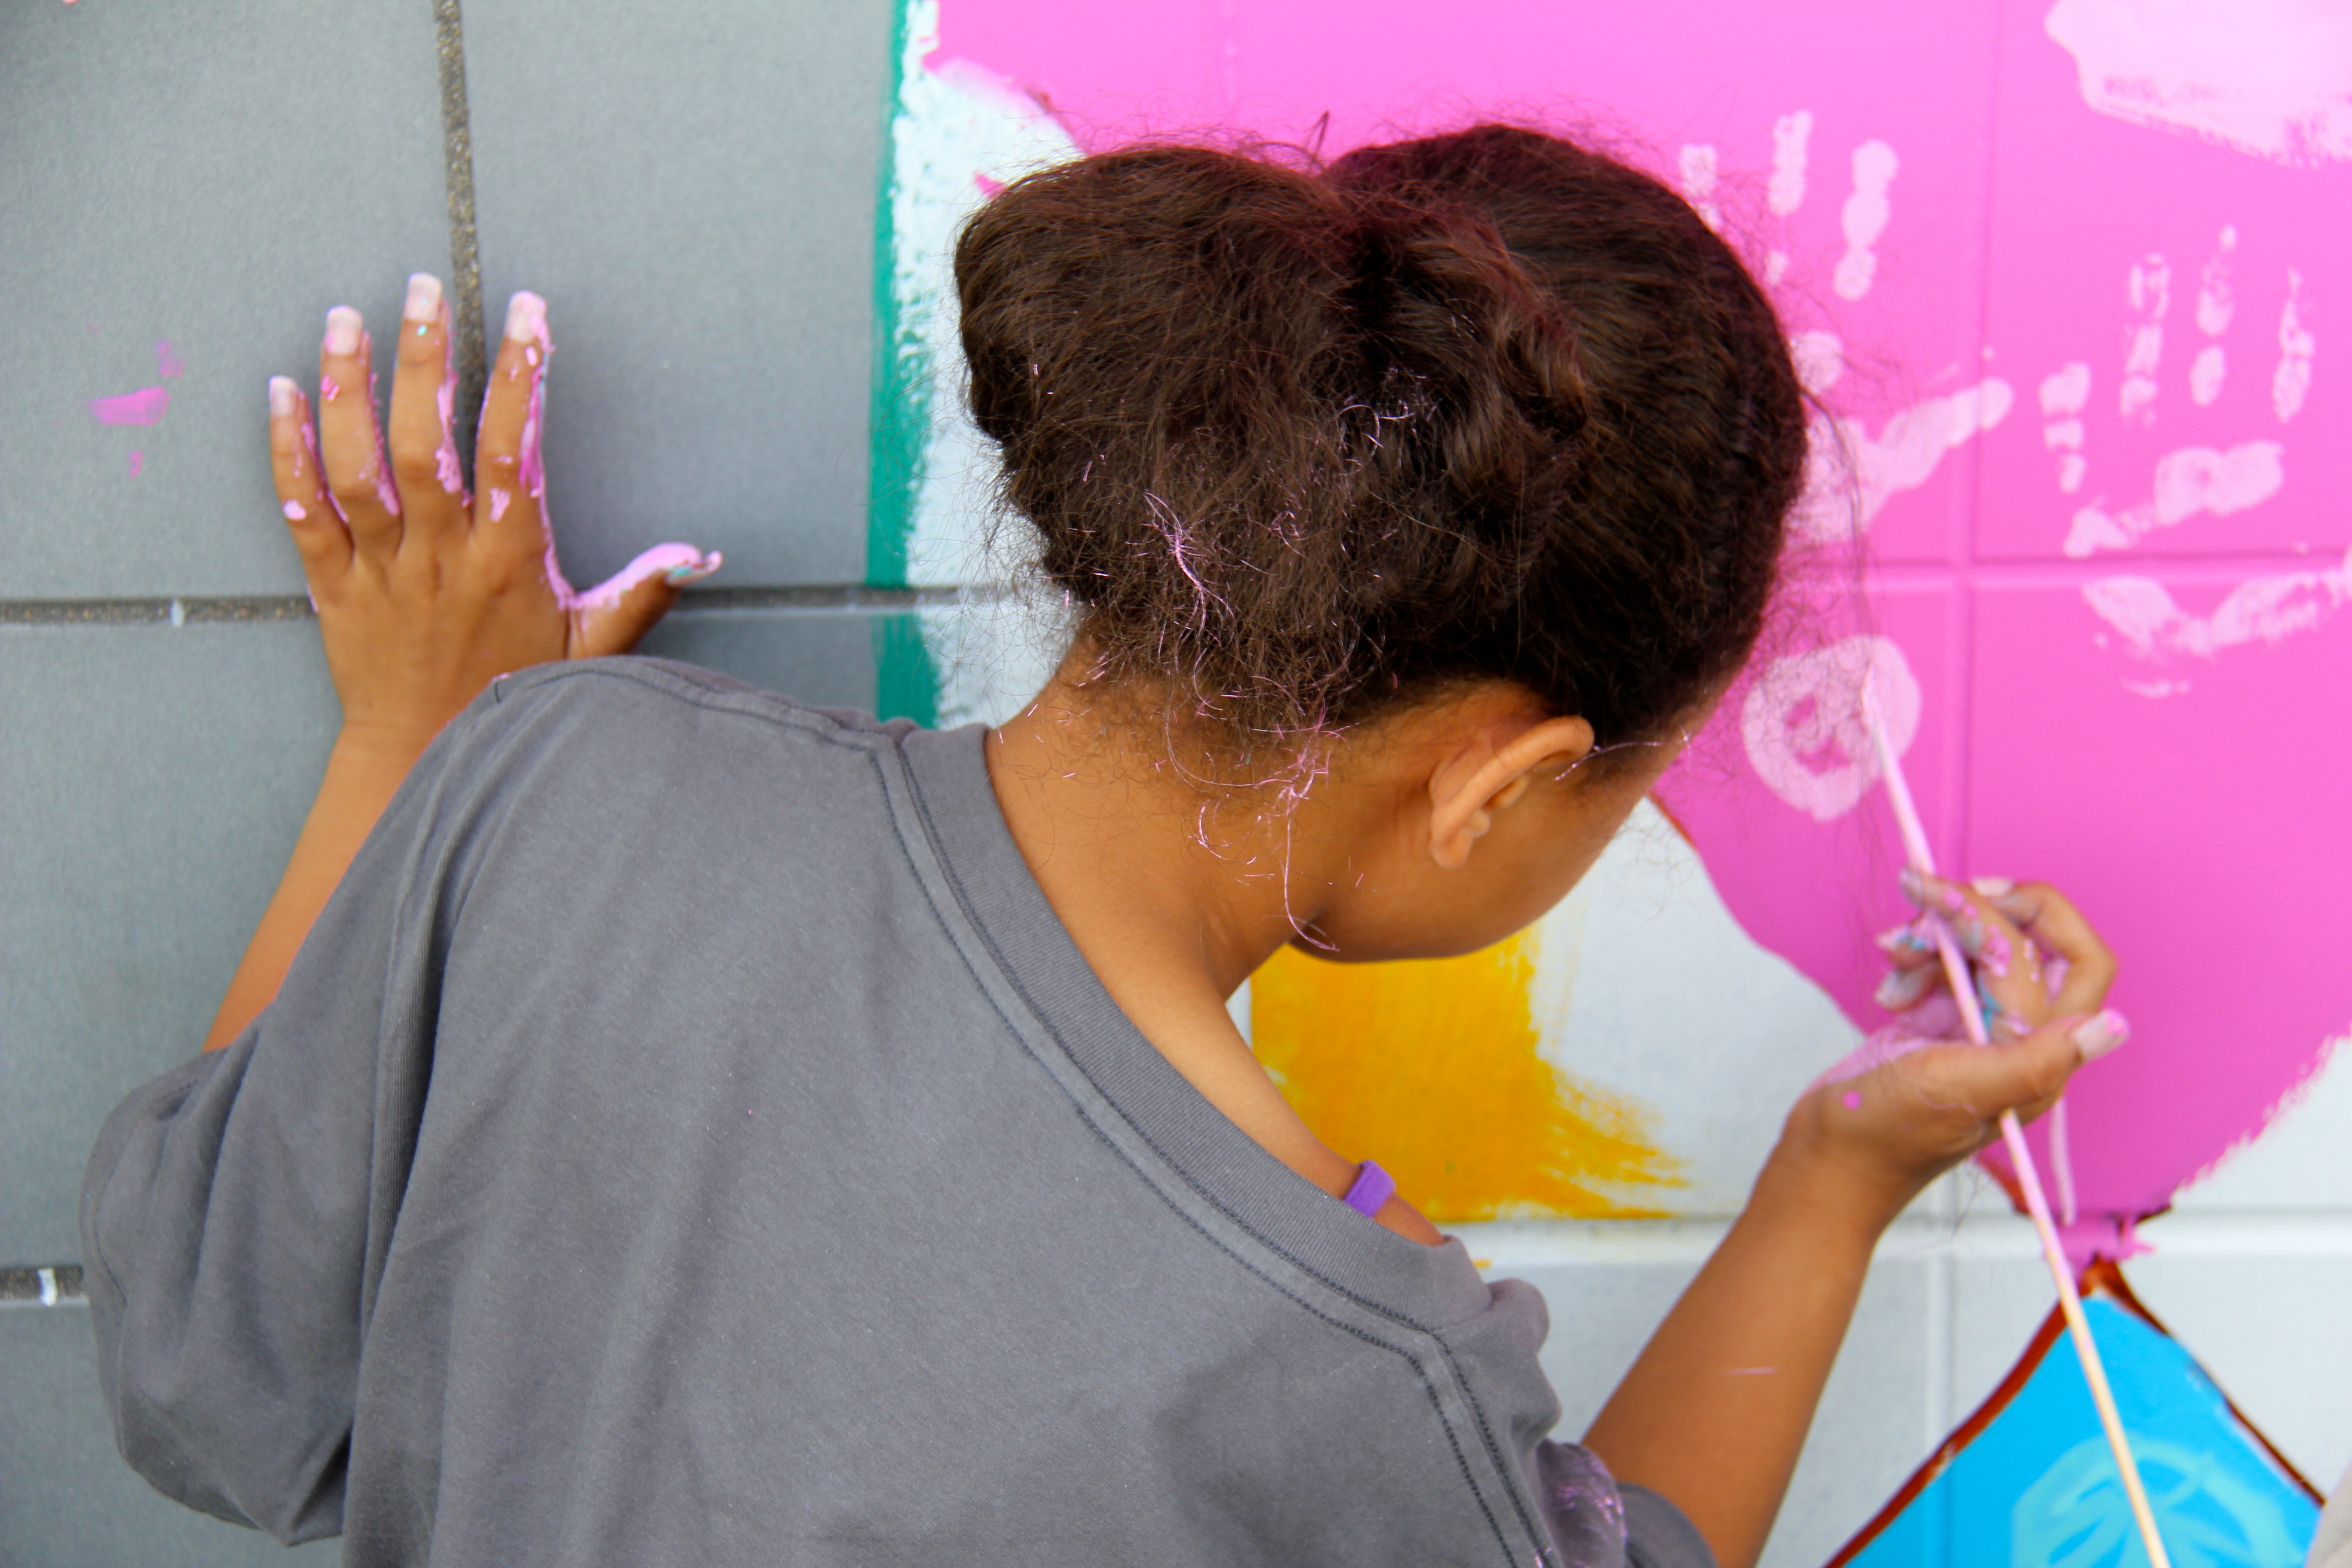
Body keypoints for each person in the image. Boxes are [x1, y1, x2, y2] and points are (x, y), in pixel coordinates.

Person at [81, 126, 2122, 1568]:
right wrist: (1843, 1181)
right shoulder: (1353, 1366)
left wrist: (414, 741)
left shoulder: (556, 777)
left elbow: (199, 1370)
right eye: (1634, 794)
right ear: (1496, 784)